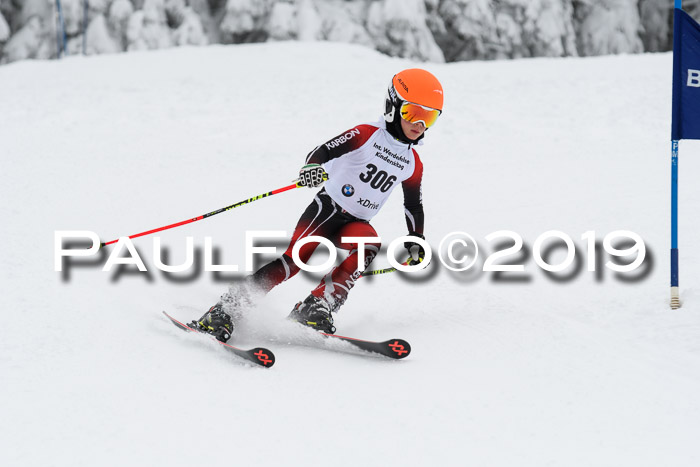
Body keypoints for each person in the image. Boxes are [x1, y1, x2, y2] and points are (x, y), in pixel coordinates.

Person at [191, 68, 444, 342]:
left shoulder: (412, 163)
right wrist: (312, 167)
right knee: (293, 261)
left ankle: (316, 306)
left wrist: (416, 239)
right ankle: (225, 309)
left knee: (368, 244)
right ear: (393, 107)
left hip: (357, 222)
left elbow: (413, 205)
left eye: (428, 116)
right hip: (328, 210)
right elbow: (322, 151)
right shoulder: (367, 134)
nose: (419, 124)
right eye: (412, 113)